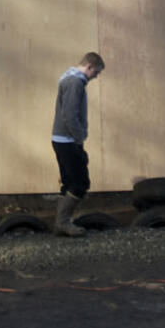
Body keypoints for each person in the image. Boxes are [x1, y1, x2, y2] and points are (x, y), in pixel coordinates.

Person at [51, 51, 104, 236]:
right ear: (89, 66)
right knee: (80, 184)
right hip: (68, 140)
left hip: (61, 139)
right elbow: (70, 114)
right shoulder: (76, 82)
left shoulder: (68, 78)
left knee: (68, 182)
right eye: (95, 72)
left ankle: (62, 223)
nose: (95, 77)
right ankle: (63, 223)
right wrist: (79, 137)